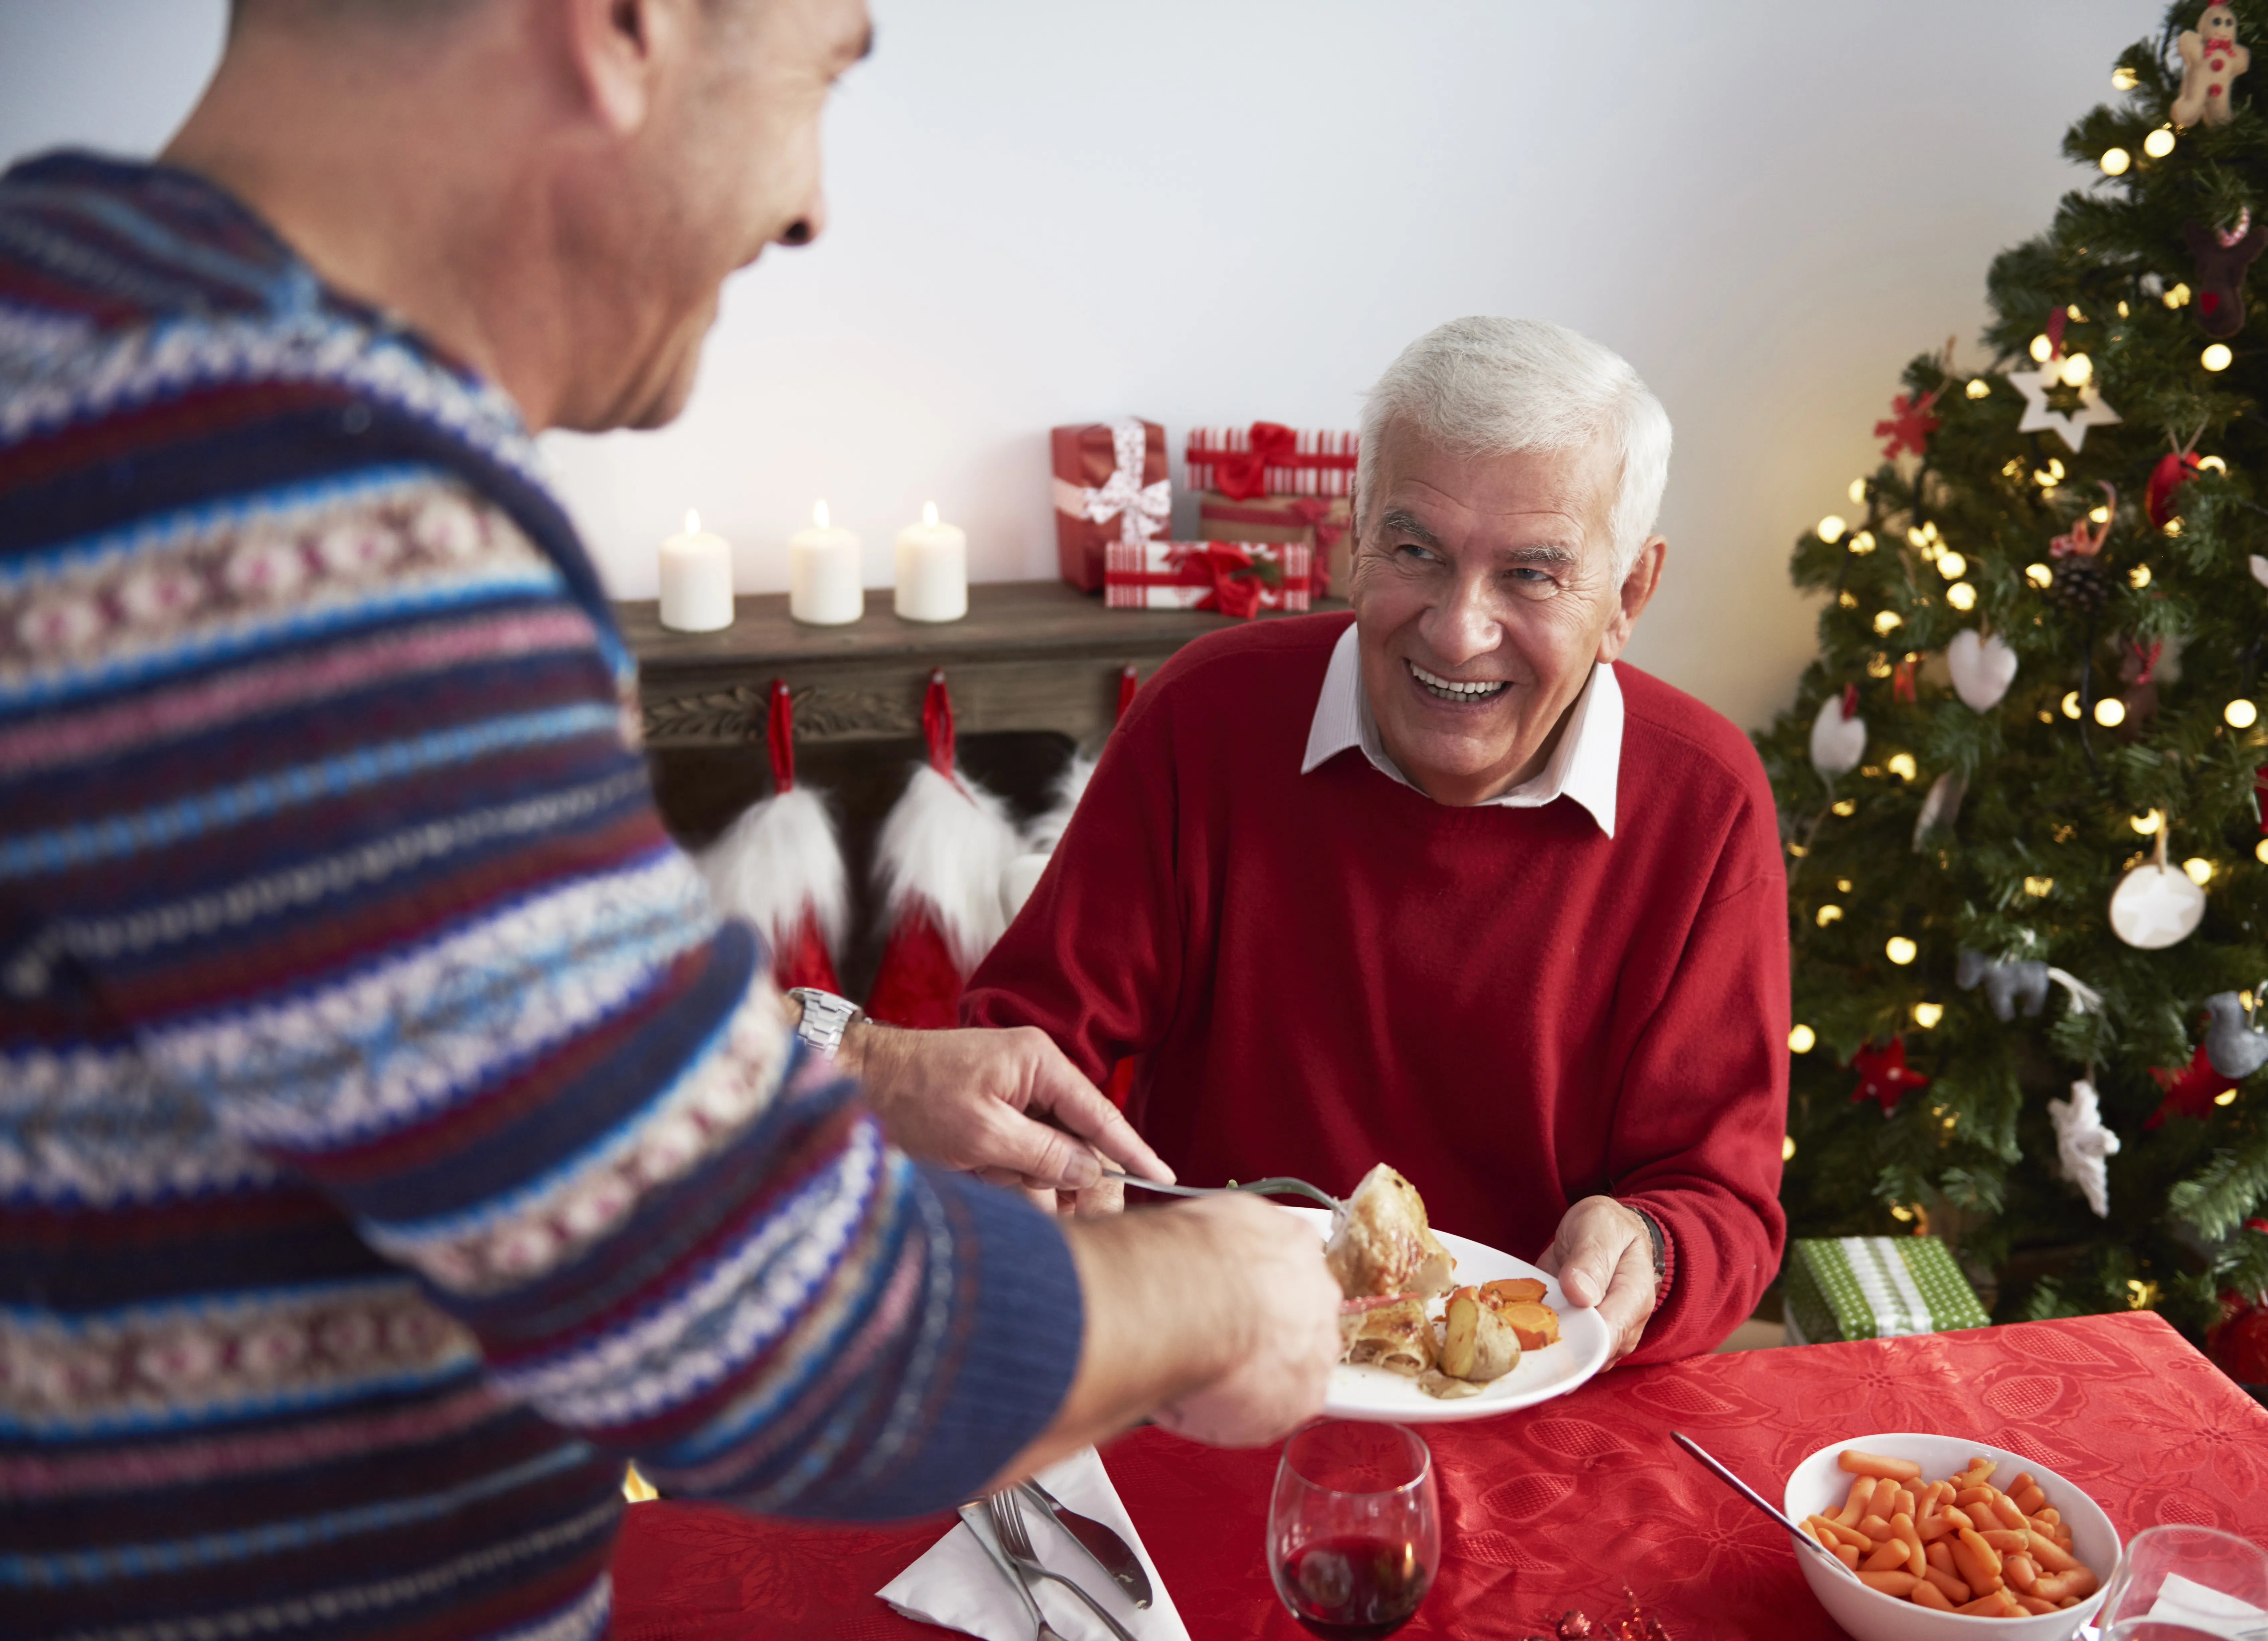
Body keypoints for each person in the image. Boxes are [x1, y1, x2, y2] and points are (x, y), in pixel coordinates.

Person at [0, 2, 1337, 1637]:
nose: (810, 206)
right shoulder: (303, 511)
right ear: (625, 27)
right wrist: (1222, 1287)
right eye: (821, 70)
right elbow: (771, 1323)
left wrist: (853, 1064)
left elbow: (415, 1044)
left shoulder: (65, 322)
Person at [967, 316, 1789, 1364]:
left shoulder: (1707, 800)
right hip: (1207, 1358)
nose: (1457, 630)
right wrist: (1032, 1180)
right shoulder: (1208, 714)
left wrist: (1652, 1247)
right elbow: (1031, 1046)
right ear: (1354, 536)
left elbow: (1720, 1201)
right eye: (1415, 551)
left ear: (1628, 594)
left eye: (1532, 575)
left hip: (1530, 1385)